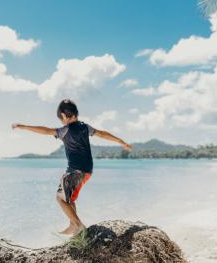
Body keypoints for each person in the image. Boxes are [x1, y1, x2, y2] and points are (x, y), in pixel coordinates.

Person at [11, 99, 132, 236]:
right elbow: (103, 134)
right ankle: (72, 227)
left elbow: (45, 131)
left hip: (74, 171)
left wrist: (24, 126)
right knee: (70, 199)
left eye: (61, 119)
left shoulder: (65, 130)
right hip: (87, 172)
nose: (61, 122)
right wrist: (121, 142)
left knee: (61, 199)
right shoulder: (85, 127)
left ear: (63, 115)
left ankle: (78, 225)